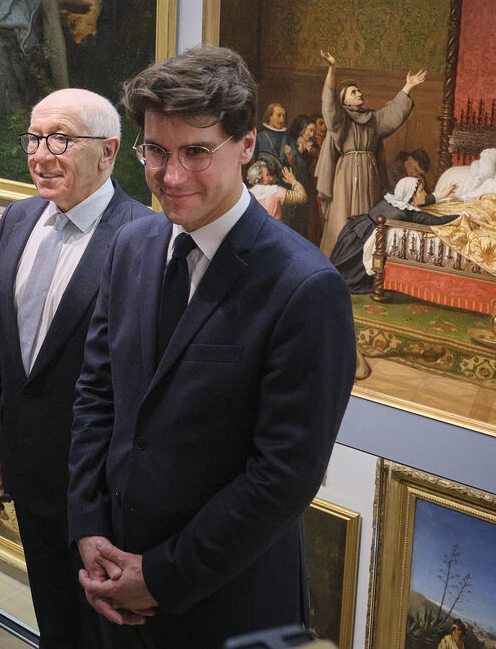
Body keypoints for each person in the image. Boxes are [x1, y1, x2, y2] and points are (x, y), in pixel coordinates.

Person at [68, 45, 357, 647]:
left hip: (228, 601)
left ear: (246, 145)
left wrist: (160, 576)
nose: (170, 176)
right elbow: (98, 394)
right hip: (114, 575)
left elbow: (283, 476)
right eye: (156, 151)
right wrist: (89, 525)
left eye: (196, 152)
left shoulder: (305, 287)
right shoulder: (131, 246)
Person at [0, 88, 149, 648]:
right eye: (34, 139)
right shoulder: (18, 218)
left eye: (60, 140)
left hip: (100, 492)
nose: (41, 155)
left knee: (105, 633)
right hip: (27, 475)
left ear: (108, 151)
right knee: (53, 618)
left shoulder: (143, 237)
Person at [315, 48, 426, 253]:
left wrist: (408, 86)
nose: (359, 93)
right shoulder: (340, 120)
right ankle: (339, 256)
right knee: (342, 217)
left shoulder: (372, 119)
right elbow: (329, 104)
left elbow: (392, 114)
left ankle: (362, 258)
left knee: (367, 216)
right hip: (346, 175)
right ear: (345, 101)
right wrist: (332, 68)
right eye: (353, 92)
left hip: (368, 173)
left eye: (359, 91)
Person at [328, 176, 458, 295]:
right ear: (410, 196)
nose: (424, 193)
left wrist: (440, 195)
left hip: (356, 228)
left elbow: (420, 200)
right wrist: (461, 216)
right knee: (348, 273)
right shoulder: (407, 213)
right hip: (361, 240)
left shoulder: (393, 200)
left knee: (339, 267)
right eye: (421, 191)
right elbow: (436, 220)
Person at [254, 102, 293, 167]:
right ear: (270, 116)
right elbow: (253, 161)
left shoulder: (288, 137)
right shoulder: (260, 136)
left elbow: (294, 165)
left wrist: (290, 156)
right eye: (279, 115)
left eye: (284, 116)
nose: (282, 120)